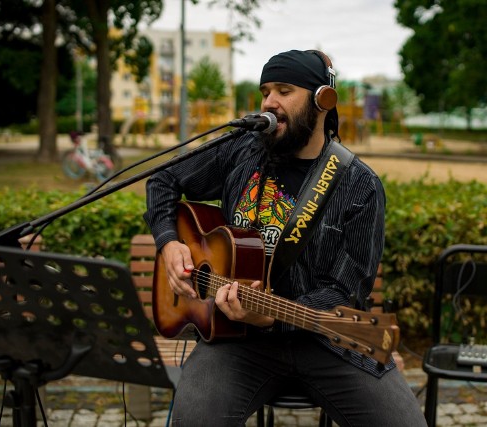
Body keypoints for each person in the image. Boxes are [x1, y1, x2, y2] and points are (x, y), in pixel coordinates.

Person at [144, 49, 426, 426]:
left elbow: (344, 291)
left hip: (327, 341)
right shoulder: (240, 151)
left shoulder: (360, 185)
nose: (269, 103)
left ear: (322, 100)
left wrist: (271, 317)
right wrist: (169, 241)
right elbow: (163, 179)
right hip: (237, 342)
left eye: (283, 90)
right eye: (264, 92)